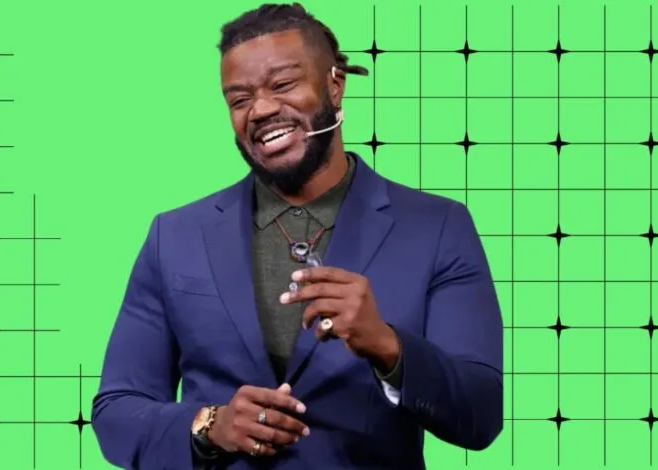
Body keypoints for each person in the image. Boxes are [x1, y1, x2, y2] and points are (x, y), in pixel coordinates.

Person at [91, 3, 503, 469]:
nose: (262, 109)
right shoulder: (175, 235)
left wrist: (388, 346)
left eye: (283, 84)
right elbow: (117, 411)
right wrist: (211, 425)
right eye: (239, 99)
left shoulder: (438, 226)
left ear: (334, 83)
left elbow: (481, 415)